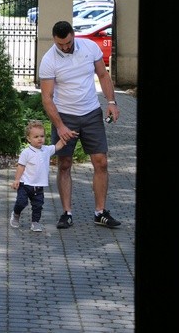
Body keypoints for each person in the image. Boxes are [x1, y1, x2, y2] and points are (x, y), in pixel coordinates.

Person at [39, 20, 121, 229]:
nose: (65, 48)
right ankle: (67, 213)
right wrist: (60, 126)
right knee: (64, 164)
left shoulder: (90, 47)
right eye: (60, 45)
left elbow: (103, 75)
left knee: (101, 162)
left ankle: (100, 212)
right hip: (65, 116)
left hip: (91, 113)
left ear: (73, 35)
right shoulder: (49, 60)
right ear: (55, 41)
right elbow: (47, 98)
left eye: (67, 43)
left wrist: (111, 102)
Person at [9, 120, 74, 232]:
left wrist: (66, 137)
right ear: (29, 139)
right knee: (21, 202)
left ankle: (35, 222)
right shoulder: (26, 152)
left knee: (38, 205)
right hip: (25, 184)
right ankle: (16, 214)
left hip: (39, 186)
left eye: (42, 136)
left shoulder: (46, 150)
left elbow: (58, 146)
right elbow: (21, 167)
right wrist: (17, 180)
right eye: (36, 137)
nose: (40, 139)